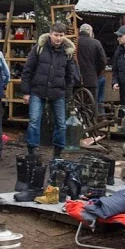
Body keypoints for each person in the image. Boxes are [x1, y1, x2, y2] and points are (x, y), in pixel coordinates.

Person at [21, 22, 78, 158]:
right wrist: (26, 92)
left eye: (61, 35)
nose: (58, 38)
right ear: (50, 34)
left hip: (58, 92)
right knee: (34, 121)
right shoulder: (39, 48)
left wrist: (67, 92)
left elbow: (70, 75)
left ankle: (58, 153)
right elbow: (27, 70)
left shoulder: (67, 52)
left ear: (64, 36)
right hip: (38, 90)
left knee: (61, 124)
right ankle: (32, 151)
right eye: (56, 35)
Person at [76, 23, 107, 111]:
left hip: (76, 79)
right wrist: (96, 72)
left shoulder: (74, 42)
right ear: (90, 32)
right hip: (91, 79)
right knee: (91, 105)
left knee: (77, 106)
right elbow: (103, 61)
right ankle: (92, 122)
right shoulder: (96, 43)